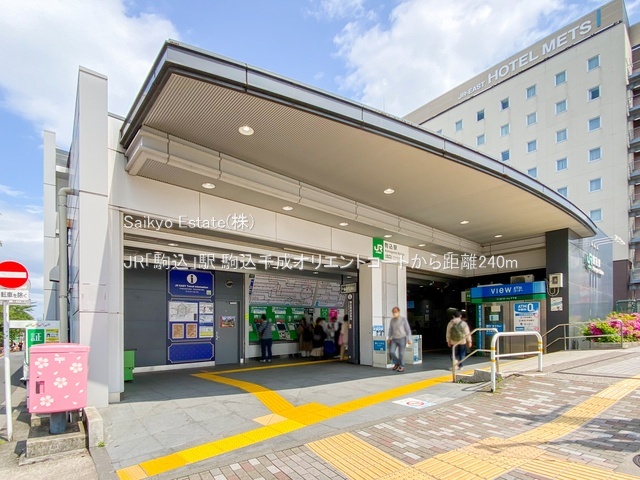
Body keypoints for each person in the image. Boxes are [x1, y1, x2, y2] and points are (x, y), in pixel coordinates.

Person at [387, 307, 412, 372]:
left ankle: (401, 366)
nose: (394, 313)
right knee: (391, 351)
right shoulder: (392, 320)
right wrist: (389, 338)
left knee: (401, 353)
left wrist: (409, 339)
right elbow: (390, 330)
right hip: (394, 339)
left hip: (402, 338)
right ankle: (397, 363)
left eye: (395, 312)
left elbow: (408, 330)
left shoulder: (403, 319)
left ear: (398, 312)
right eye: (393, 312)